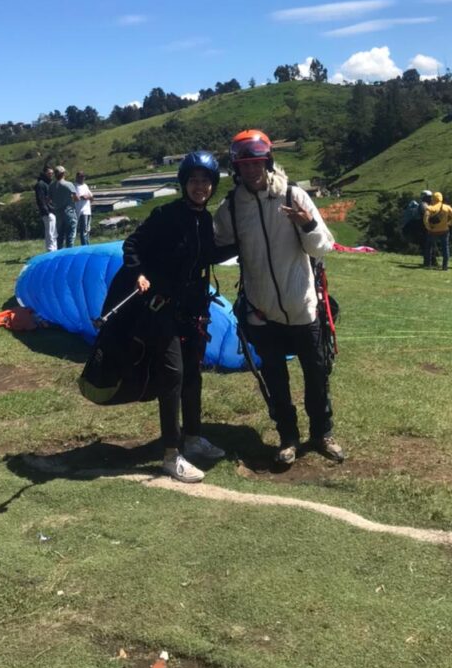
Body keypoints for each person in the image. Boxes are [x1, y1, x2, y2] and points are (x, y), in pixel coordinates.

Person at [101, 151, 233, 483]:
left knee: (192, 374)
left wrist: (241, 245)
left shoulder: (204, 220)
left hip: (191, 309)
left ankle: (193, 438)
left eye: (205, 182)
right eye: (194, 181)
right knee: (172, 376)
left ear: (212, 186)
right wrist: (138, 274)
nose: (200, 187)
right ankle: (171, 455)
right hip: (160, 309)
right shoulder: (165, 215)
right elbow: (132, 245)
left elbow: (208, 255)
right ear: (184, 184)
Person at [213, 129, 343, 467]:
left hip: (302, 305)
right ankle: (288, 438)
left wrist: (308, 224)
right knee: (275, 378)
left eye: (257, 163)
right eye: (245, 164)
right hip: (261, 309)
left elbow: (322, 246)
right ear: (236, 168)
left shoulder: (293, 195)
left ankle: (322, 433)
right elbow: (217, 243)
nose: (252, 170)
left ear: (267, 162)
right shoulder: (230, 208)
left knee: (316, 374)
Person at [422, 191, 452, 270]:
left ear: (433, 199)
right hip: (444, 230)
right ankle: (445, 266)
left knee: (429, 247)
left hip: (433, 231)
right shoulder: (447, 207)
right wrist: (448, 224)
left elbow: (425, 219)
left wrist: (428, 227)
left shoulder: (430, 208)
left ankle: (428, 264)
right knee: (445, 248)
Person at [49, 165, 79, 249]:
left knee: (60, 236)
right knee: (70, 235)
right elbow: (77, 198)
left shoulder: (52, 186)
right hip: (69, 212)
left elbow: (48, 200)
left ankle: (60, 254)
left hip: (58, 213)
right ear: (63, 173)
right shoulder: (68, 184)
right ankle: (69, 253)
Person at [34, 164, 57, 252]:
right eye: (49, 173)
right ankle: (51, 249)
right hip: (48, 211)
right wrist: (46, 211)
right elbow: (40, 199)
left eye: (52, 173)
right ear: (44, 173)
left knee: (53, 231)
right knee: (50, 232)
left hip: (52, 210)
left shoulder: (49, 183)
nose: (51, 175)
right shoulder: (41, 184)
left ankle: (54, 248)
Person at [74, 171, 93, 245]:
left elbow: (91, 196)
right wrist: (82, 196)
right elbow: (74, 197)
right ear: (77, 177)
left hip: (88, 210)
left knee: (88, 229)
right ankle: (84, 245)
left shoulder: (85, 185)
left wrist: (87, 197)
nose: (82, 178)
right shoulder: (75, 186)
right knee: (83, 229)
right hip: (81, 210)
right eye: (80, 176)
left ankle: (87, 244)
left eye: (83, 176)